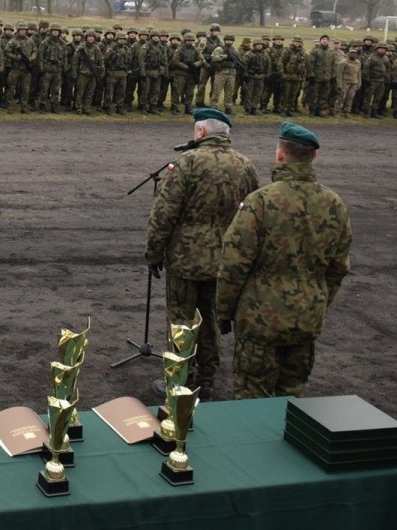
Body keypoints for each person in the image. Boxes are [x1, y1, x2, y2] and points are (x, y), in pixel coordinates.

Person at [217, 122, 351, 399]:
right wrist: (317, 303)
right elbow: (338, 267)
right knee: (291, 397)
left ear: (280, 155)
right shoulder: (334, 204)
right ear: (314, 156)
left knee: (251, 399)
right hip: (306, 319)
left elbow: (234, 262)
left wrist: (224, 311)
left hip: (260, 318)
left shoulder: (261, 202)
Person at [144, 107, 259, 400]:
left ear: (200, 132)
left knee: (181, 319)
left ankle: (181, 380)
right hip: (225, 259)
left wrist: (153, 252)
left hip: (186, 258)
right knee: (209, 318)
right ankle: (207, 379)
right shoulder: (246, 166)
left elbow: (164, 213)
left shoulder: (187, 163)